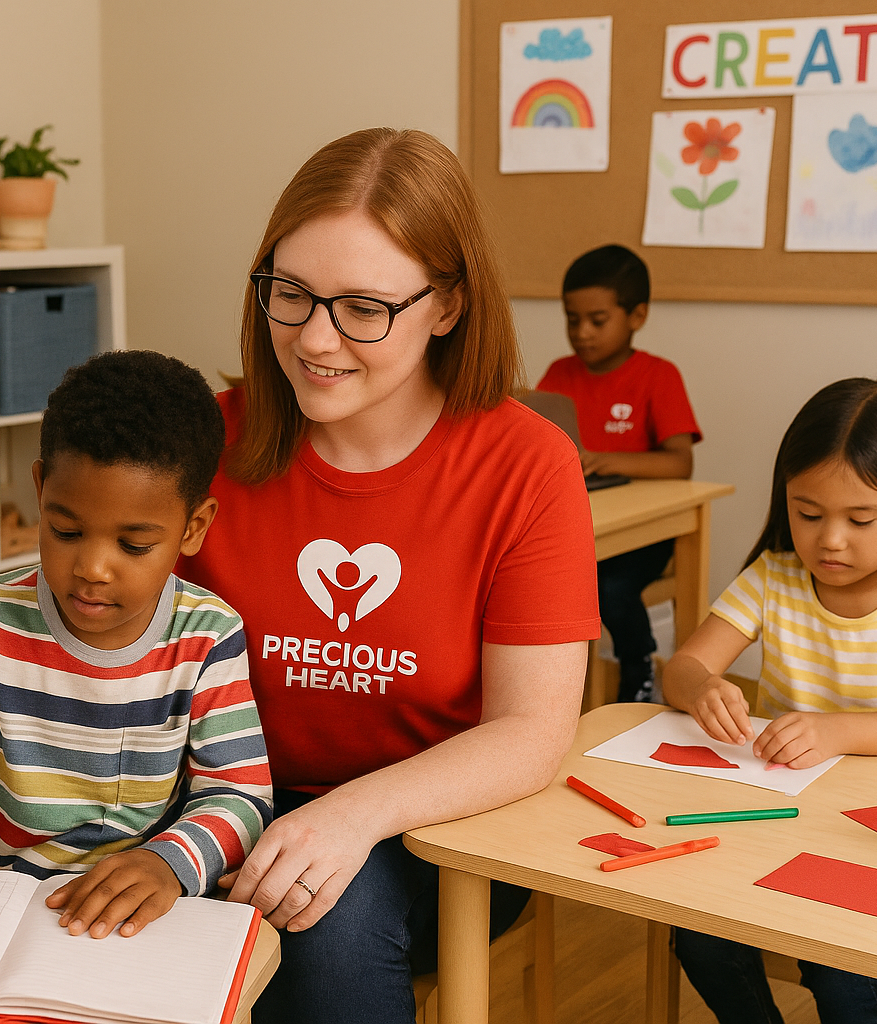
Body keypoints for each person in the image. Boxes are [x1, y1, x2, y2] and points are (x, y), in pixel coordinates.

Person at [179, 128, 600, 1024]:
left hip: (433, 817)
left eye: (363, 308)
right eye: (289, 294)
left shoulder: (528, 465)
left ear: (447, 305)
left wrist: (349, 816)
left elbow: (532, 729)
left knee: (329, 922)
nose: (314, 338)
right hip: (225, 799)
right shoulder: (203, 441)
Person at [0, 350, 273, 961]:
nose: (93, 569)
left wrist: (166, 863)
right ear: (41, 489)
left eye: (134, 544)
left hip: (144, 923)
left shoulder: (208, 635)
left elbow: (239, 795)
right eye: (66, 531)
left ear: (194, 527)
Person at [664, 378, 877, 1024]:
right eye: (808, 514)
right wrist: (703, 687)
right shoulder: (774, 576)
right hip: (782, 822)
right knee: (697, 934)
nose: (830, 540)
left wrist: (836, 732)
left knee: (839, 964)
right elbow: (685, 666)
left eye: (860, 519)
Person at [537, 244, 703, 703]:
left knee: (609, 586)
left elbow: (679, 463)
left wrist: (604, 459)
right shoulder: (559, 373)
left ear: (637, 315)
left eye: (597, 320)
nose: (582, 333)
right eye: (572, 320)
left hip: (645, 535)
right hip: (579, 523)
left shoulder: (658, 376)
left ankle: (639, 670)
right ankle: (552, 691)